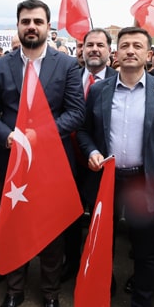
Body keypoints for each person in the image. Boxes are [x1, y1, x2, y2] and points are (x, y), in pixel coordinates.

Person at [0, 0, 84, 307]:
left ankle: (51, 294)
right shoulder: (1, 66)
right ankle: (14, 291)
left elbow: (76, 112)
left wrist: (41, 135)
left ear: (48, 27)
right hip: (11, 162)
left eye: (37, 21)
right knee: (13, 228)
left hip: (51, 165)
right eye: (25, 21)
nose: (31, 27)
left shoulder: (66, 66)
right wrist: (7, 135)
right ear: (18, 25)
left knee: (51, 233)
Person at [77, 26, 154, 307]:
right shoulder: (100, 90)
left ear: (148, 54)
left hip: (144, 181)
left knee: (145, 252)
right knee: (102, 244)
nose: (131, 50)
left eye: (137, 45)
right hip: (107, 179)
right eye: (125, 45)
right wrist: (91, 151)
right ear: (116, 53)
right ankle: (101, 294)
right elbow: (84, 132)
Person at [62, 28, 118, 283]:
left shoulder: (119, 80)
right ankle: (71, 263)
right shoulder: (69, 77)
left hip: (102, 164)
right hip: (70, 161)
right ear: (82, 50)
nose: (94, 49)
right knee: (70, 218)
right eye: (89, 45)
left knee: (103, 221)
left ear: (109, 50)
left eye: (100, 45)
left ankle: (102, 270)